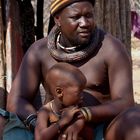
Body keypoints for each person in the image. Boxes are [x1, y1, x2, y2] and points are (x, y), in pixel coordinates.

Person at [6, 0, 134, 139]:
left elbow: (125, 102)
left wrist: (82, 116)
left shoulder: (111, 49)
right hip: (50, 127)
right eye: (76, 17)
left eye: (89, 16)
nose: (84, 23)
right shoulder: (39, 51)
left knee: (134, 121)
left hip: (99, 130)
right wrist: (43, 125)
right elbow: (16, 100)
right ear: (58, 19)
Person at [35, 62, 94, 140]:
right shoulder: (45, 111)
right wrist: (63, 121)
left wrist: (80, 122)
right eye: (78, 92)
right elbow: (40, 138)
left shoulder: (78, 108)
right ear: (59, 92)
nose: (82, 96)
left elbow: (90, 135)